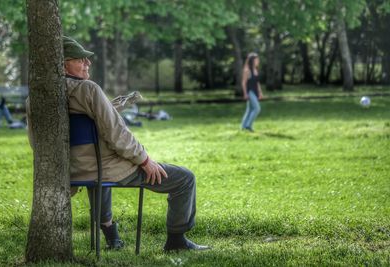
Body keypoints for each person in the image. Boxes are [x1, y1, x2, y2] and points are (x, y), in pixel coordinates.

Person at [26, 36, 209, 252]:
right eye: (81, 59)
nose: (88, 63)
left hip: (71, 171)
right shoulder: (88, 89)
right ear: (63, 63)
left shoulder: (36, 98)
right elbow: (117, 135)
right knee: (185, 178)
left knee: (101, 166)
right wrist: (145, 160)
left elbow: (36, 140)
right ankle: (177, 241)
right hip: (103, 169)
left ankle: (112, 236)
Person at [241, 52, 263, 132]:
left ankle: (243, 126)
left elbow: (257, 83)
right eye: (257, 60)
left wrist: (260, 92)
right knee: (257, 108)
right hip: (249, 91)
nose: (258, 61)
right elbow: (243, 83)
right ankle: (248, 126)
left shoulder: (255, 70)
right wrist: (245, 93)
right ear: (252, 61)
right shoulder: (247, 70)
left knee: (249, 110)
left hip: (255, 91)